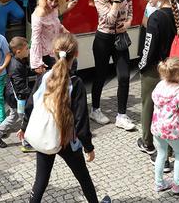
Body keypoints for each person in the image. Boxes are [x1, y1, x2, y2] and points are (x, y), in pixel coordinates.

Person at [19, 33, 112, 203]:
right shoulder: (75, 83)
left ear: (54, 53)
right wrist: (88, 146)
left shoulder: (44, 77)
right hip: (66, 140)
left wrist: (24, 127)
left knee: (40, 181)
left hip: (45, 135)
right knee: (83, 178)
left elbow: (30, 105)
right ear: (76, 55)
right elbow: (81, 121)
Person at [137, 0, 179, 172]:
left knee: (149, 107)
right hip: (174, 70)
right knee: (170, 110)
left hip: (155, 69)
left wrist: (142, 66)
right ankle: (168, 150)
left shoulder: (156, 17)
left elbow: (148, 47)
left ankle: (149, 144)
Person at [89, 0, 135, 130]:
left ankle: (121, 115)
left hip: (120, 38)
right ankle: (95, 109)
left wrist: (128, 23)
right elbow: (109, 19)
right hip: (103, 38)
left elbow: (130, 10)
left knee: (124, 76)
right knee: (100, 75)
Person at [151, 57, 179, 194]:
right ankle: (177, 184)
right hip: (172, 130)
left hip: (157, 127)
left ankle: (159, 183)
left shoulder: (160, 85)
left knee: (161, 154)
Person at [0, 36, 35, 151]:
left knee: (13, 116)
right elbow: (20, 88)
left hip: (12, 95)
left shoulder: (18, 60)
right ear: (19, 51)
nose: (29, 50)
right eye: (27, 48)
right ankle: (26, 143)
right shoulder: (16, 66)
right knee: (26, 119)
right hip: (18, 98)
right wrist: (33, 94)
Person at [30, 0, 68, 74]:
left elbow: (55, 24)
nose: (53, 4)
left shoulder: (54, 9)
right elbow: (35, 39)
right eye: (51, 0)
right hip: (45, 56)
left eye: (56, 1)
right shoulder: (40, 13)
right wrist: (37, 63)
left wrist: (63, 29)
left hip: (54, 50)